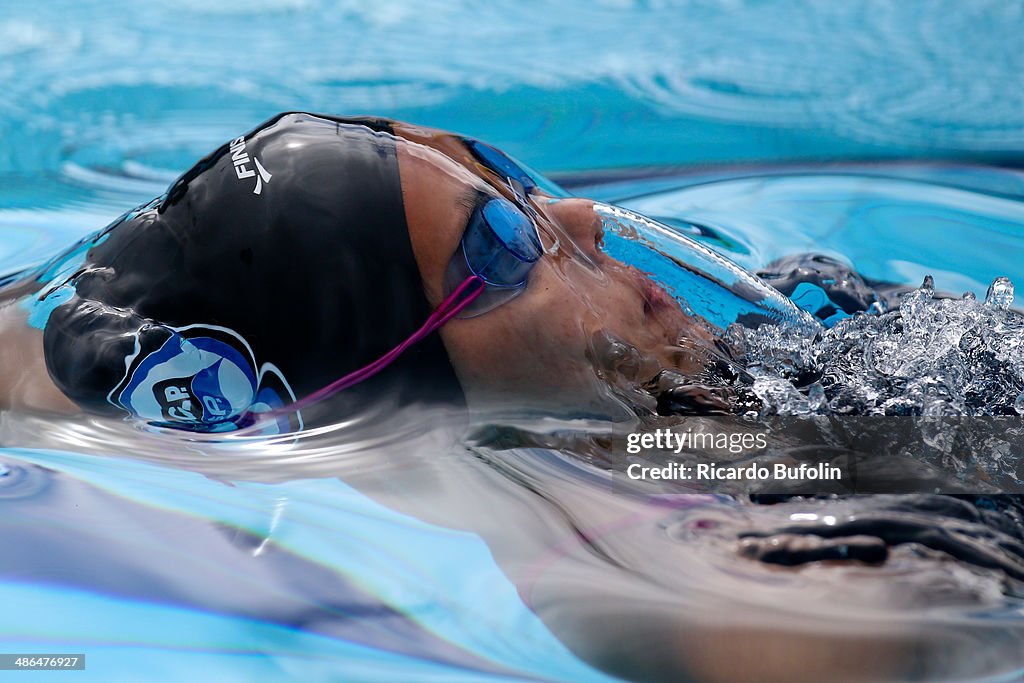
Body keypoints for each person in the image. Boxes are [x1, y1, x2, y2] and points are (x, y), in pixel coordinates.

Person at [0, 112, 871, 432]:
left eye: (508, 182)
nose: (577, 218)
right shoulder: (598, 508)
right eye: (497, 245)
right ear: (392, 369)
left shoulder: (810, 309)